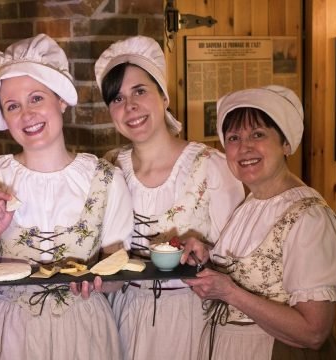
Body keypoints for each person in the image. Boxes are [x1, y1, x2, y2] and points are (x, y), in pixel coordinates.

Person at [0, 33, 134, 360]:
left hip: (84, 330)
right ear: (3, 117)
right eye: (12, 106)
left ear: (60, 100)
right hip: (10, 335)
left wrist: (99, 281)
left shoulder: (105, 179)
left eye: (36, 98)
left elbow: (118, 275)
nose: (27, 115)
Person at [93, 36, 245, 360]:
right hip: (124, 315)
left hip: (192, 319)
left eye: (140, 91)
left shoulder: (210, 168)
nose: (129, 106)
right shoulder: (107, 170)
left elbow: (240, 264)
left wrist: (206, 253)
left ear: (164, 96)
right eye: (117, 99)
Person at [184, 85, 336, 359]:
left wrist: (230, 293)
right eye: (234, 137)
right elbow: (249, 272)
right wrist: (206, 259)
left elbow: (313, 332)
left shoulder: (309, 217)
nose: (244, 147)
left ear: (285, 143)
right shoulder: (252, 203)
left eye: (258, 134)